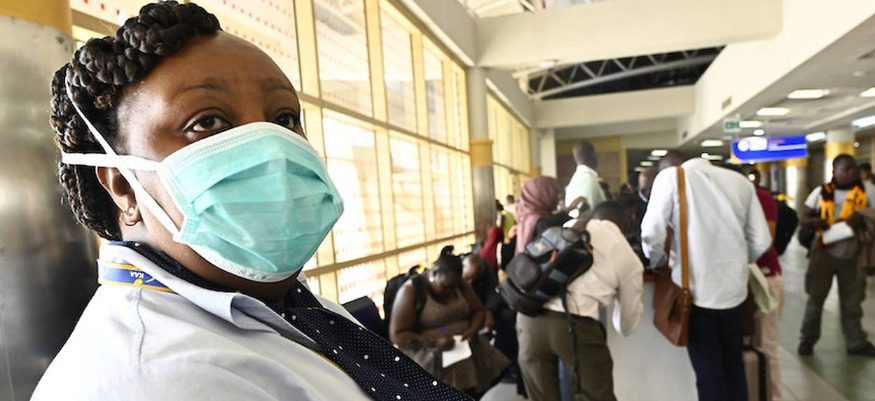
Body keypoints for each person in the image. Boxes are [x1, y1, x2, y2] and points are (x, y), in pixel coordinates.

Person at [33, 3, 472, 400]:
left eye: (285, 119)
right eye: (207, 122)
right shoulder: (157, 379)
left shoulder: (297, 310)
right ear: (122, 186)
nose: (273, 152)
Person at [641, 150, 772, 401]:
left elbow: (651, 234)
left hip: (695, 293)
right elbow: (762, 240)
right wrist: (738, 262)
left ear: (670, 166)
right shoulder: (740, 181)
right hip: (736, 292)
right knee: (734, 367)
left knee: (708, 373)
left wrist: (658, 262)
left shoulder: (670, 178)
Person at [516, 201, 644, 401]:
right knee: (596, 396)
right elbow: (627, 325)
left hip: (529, 318)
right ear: (626, 225)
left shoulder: (569, 226)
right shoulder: (626, 255)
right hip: (575, 327)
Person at [390, 248, 509, 398]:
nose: (449, 292)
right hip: (431, 355)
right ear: (434, 273)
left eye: (453, 288)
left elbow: (478, 311)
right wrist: (433, 342)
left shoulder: (457, 283)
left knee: (478, 390)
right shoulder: (410, 291)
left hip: (466, 349)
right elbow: (398, 335)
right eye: (445, 287)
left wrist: (472, 329)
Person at [797, 154, 875, 357]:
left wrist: (863, 216)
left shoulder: (867, 191)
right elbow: (803, 217)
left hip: (853, 254)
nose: (851, 172)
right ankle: (807, 339)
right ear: (835, 171)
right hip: (823, 253)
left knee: (852, 302)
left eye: (853, 168)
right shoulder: (821, 192)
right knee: (815, 299)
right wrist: (814, 222)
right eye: (846, 169)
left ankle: (856, 342)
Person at [565, 140, 606, 218]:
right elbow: (585, 215)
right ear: (593, 155)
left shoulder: (579, 178)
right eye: (596, 153)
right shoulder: (587, 179)